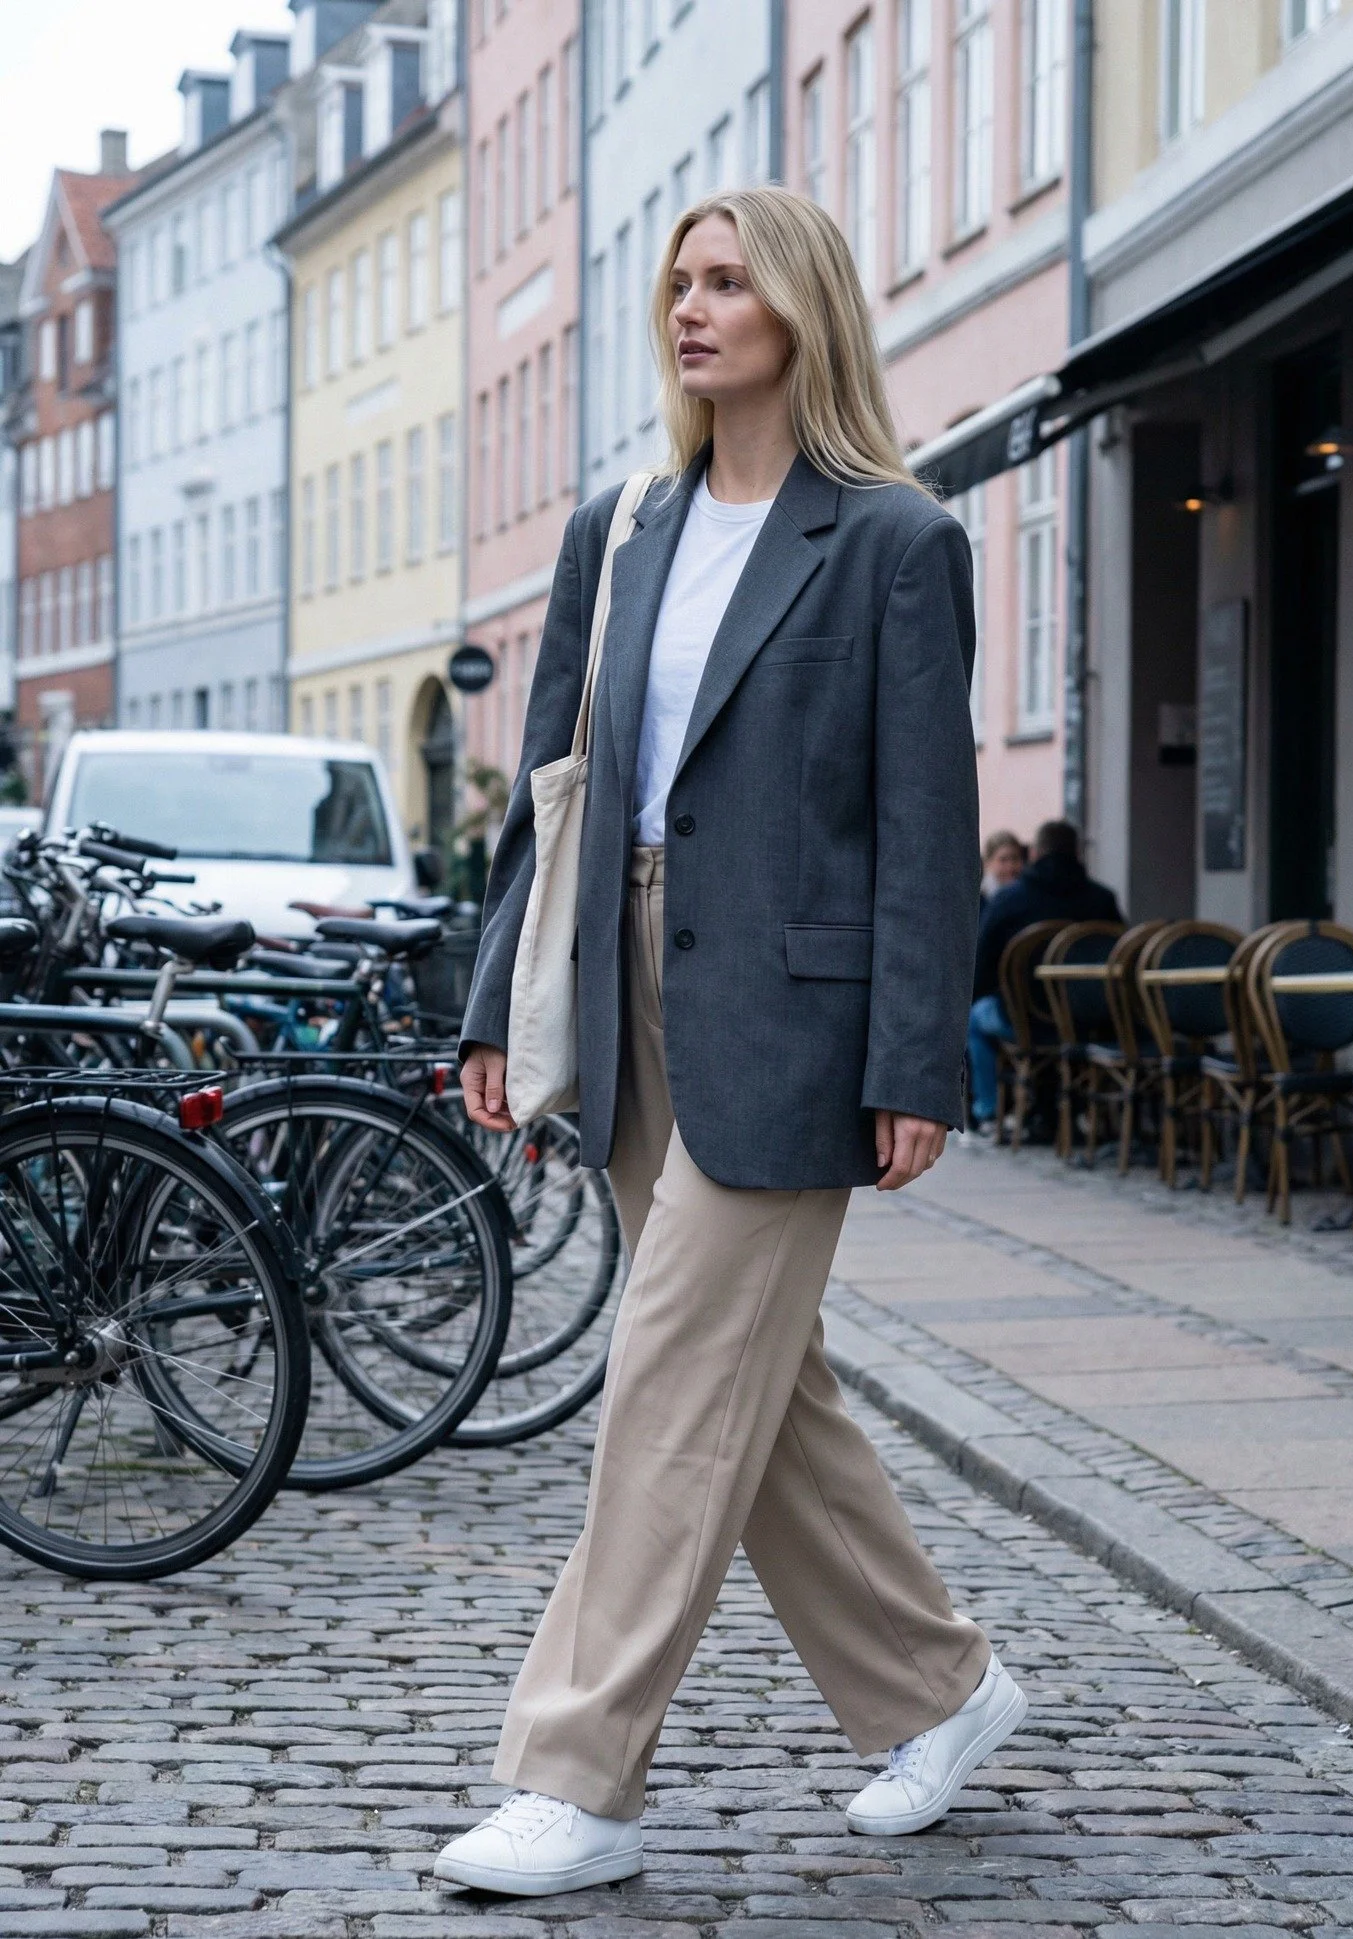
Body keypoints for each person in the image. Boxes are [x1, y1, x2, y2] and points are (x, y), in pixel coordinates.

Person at [435, 186, 1027, 1901]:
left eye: (728, 282)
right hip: (623, 977)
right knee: (763, 1393)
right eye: (680, 284)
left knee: (677, 1367)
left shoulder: (899, 539)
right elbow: (551, 789)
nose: (693, 310)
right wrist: (496, 1000)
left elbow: (926, 822)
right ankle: (947, 1684)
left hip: (798, 1012)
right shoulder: (624, 524)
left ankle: (577, 1770)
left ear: (800, 309)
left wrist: (921, 1057)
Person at [966, 819, 1124, 1129]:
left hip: (1022, 1020)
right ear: (1077, 852)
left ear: (1035, 853)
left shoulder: (1009, 900)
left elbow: (980, 964)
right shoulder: (1101, 900)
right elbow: (1121, 959)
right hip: (1087, 1022)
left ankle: (986, 1111)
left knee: (973, 1018)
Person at [980, 829, 1025, 910]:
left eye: (1015, 858)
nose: (1010, 866)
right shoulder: (979, 899)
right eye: (1003, 860)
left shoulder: (1027, 896)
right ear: (988, 862)